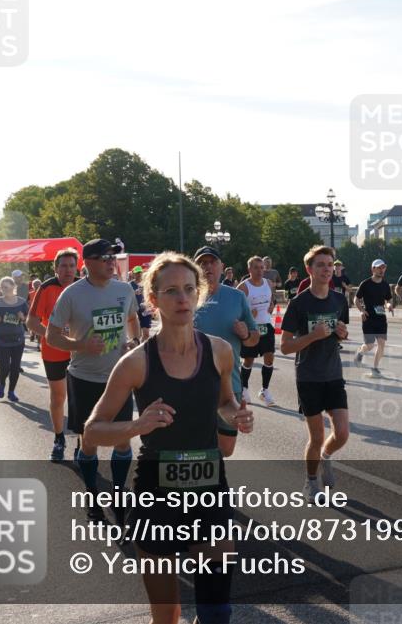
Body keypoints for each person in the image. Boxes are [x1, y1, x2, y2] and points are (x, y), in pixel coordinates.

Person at [84, 251, 254, 624]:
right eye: (172, 291)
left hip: (209, 487)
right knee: (167, 616)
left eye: (190, 289)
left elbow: (225, 401)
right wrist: (135, 426)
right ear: (153, 299)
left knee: (216, 610)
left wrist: (235, 415)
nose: (182, 299)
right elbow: (90, 432)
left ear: (200, 295)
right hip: (156, 496)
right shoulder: (136, 363)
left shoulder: (219, 351)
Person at [46, 238, 141, 524]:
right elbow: (51, 336)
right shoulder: (72, 295)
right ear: (87, 263)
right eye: (104, 257)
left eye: (113, 256)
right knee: (89, 443)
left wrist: (134, 341)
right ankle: (91, 495)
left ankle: (117, 495)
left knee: (123, 441)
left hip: (119, 378)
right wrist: (82, 345)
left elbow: (133, 320)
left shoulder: (125, 290)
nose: (111, 261)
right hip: (84, 378)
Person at [280, 245, 350, 502]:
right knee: (317, 435)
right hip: (308, 376)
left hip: (333, 373)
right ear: (309, 270)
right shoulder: (299, 304)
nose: (326, 269)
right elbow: (286, 347)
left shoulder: (339, 300)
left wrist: (342, 333)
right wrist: (312, 336)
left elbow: (341, 333)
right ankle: (310, 482)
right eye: (320, 265)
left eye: (330, 265)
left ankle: (326, 457)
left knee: (341, 433)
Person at [193, 245, 260, 456]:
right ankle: (203, 487)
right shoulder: (186, 297)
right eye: (202, 263)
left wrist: (245, 335)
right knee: (194, 444)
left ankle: (210, 480)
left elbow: (253, 340)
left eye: (212, 262)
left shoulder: (236, 297)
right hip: (192, 384)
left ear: (222, 266)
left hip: (230, 384)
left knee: (226, 449)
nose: (208, 267)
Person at [27, 248, 79, 462]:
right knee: (58, 397)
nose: (68, 270)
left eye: (72, 265)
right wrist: (51, 335)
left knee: (80, 400)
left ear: (77, 267)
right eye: (63, 266)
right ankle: (59, 439)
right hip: (54, 351)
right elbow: (31, 321)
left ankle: (82, 444)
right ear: (56, 268)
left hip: (80, 352)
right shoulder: (47, 288)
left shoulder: (83, 287)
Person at [238, 256, 278, 407]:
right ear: (249, 270)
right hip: (251, 329)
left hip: (266, 326)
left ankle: (264, 390)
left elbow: (272, 297)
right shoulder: (243, 287)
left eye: (262, 267)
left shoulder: (268, 283)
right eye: (256, 267)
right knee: (248, 360)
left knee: (269, 358)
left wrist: (272, 306)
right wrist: (248, 314)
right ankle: (244, 388)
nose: (260, 270)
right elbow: (235, 309)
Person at [0, 276, 29, 402]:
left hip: (18, 340)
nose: (5, 289)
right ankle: (2, 384)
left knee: (15, 368)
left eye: (7, 287)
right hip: (1, 340)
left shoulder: (21, 302)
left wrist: (23, 317)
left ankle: (11, 391)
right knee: (4, 367)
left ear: (13, 287)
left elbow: (28, 318)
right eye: (2, 287)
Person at [354, 259, 393, 378]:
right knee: (370, 345)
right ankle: (360, 352)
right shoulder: (365, 283)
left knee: (381, 345)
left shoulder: (385, 284)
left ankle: (375, 369)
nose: (382, 270)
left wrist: (389, 305)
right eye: (379, 268)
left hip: (381, 318)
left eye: (383, 268)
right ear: (373, 269)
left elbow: (388, 299)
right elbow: (356, 299)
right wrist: (361, 311)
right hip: (368, 318)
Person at [130, 265, 153, 341]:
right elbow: (125, 297)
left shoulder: (146, 283)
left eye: (140, 272)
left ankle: (144, 350)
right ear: (133, 274)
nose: (139, 274)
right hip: (134, 310)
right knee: (137, 335)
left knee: (146, 334)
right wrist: (134, 293)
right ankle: (137, 349)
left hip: (145, 309)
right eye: (137, 273)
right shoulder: (129, 285)